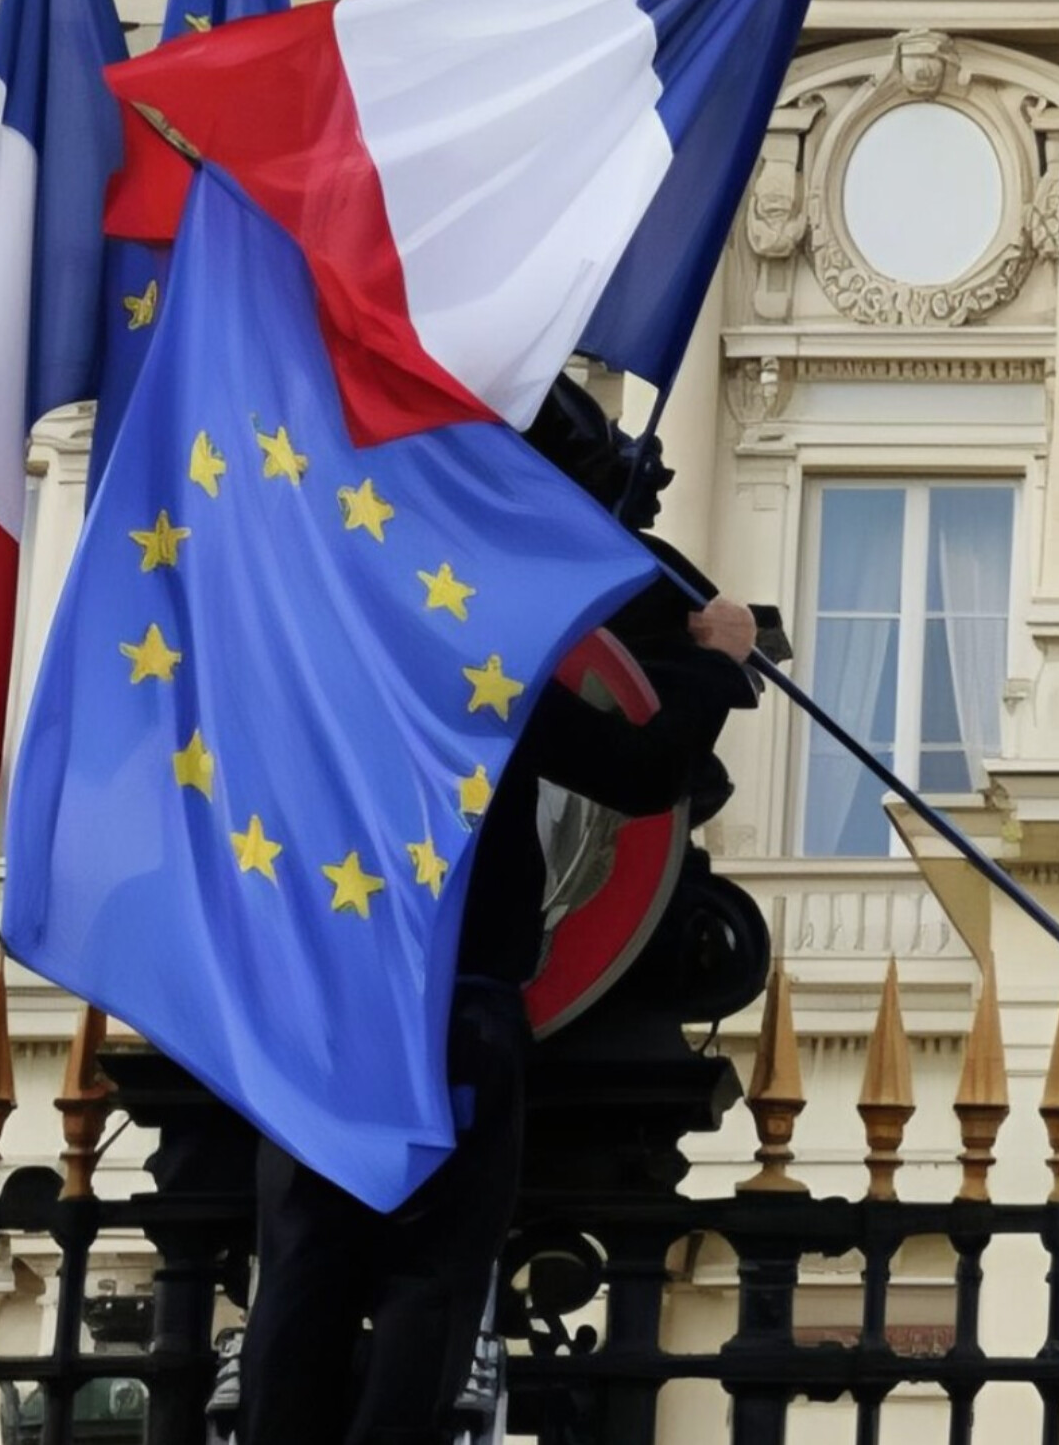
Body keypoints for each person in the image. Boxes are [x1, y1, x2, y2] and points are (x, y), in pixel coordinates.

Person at [230, 379, 756, 1444]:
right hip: (456, 1006)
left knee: (300, 1264)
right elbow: (638, 766)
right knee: (432, 1272)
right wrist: (717, 663)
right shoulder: (464, 670)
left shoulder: (294, 661)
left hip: (314, 1016)